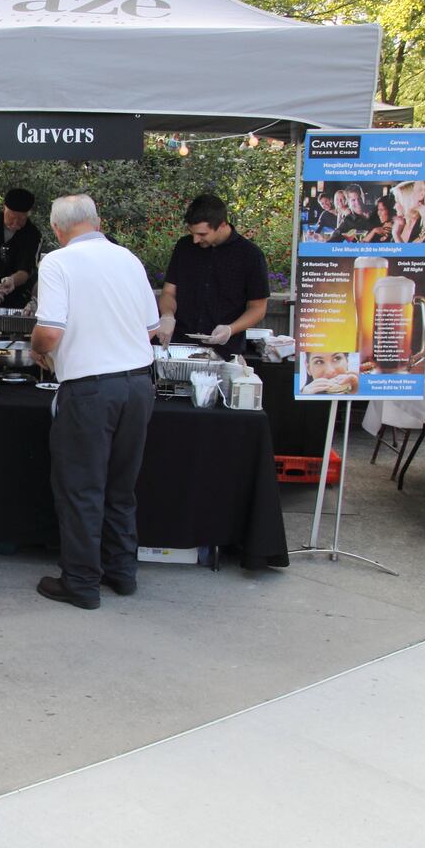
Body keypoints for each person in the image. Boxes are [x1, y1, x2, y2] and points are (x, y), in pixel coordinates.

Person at [30, 194, 159, 608]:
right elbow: (151, 327)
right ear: (97, 220)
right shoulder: (129, 258)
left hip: (89, 388)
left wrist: (35, 348)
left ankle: (82, 582)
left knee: (81, 488)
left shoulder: (57, 262)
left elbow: (50, 332)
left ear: (56, 230)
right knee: (121, 486)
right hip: (139, 383)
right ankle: (122, 572)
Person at [153, 193, 269, 356]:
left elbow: (258, 308)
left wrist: (230, 329)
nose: (195, 240)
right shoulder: (184, 247)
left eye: (202, 234)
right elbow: (169, 292)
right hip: (179, 345)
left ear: (222, 225)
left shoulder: (250, 255)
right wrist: (167, 315)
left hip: (224, 350)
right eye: (192, 233)